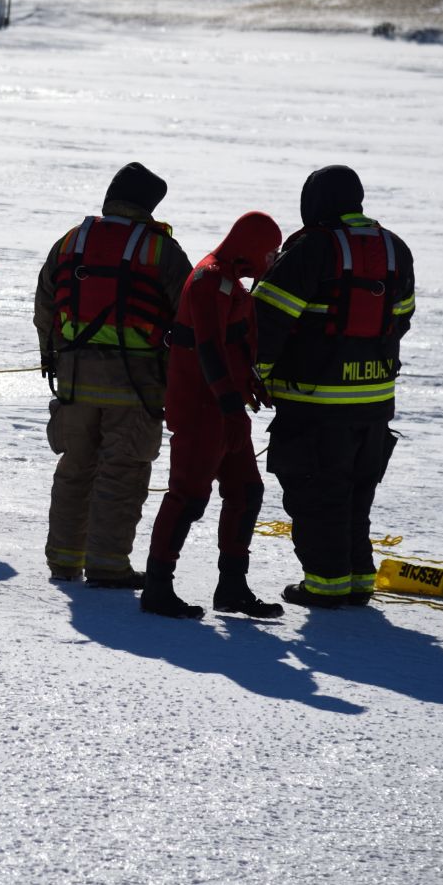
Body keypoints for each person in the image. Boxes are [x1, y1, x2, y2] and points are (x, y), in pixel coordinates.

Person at [253, 165, 416, 609]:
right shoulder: (395, 249)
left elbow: (265, 321)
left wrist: (257, 376)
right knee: (355, 497)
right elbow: (401, 318)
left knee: (315, 497)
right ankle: (359, 581)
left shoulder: (311, 249)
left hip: (313, 404)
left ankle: (324, 586)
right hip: (375, 404)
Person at [34, 162, 189, 587]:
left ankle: (64, 560)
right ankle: (107, 564)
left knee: (74, 468)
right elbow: (187, 316)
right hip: (135, 388)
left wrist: (53, 359)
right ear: (148, 206)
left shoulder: (70, 241)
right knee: (122, 474)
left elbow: (46, 305)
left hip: (74, 383)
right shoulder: (161, 251)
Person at [140, 211, 286, 620]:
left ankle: (232, 587)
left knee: (246, 492)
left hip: (224, 407)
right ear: (251, 247)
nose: (271, 260)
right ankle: (157, 587)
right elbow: (207, 348)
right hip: (203, 409)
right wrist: (230, 406)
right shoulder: (209, 280)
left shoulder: (228, 281)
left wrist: (250, 384)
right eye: (269, 252)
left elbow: (231, 344)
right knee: (187, 496)